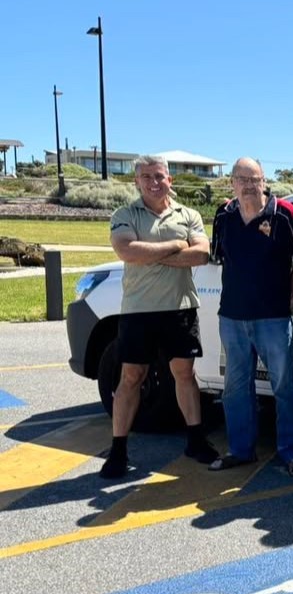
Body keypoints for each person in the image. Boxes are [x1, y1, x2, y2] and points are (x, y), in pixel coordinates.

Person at [101, 155, 217, 479]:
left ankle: (195, 440)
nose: (154, 182)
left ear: (170, 180)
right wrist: (175, 245)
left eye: (159, 176)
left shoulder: (189, 214)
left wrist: (149, 254)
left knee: (184, 374)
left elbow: (201, 254)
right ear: (136, 181)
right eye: (146, 176)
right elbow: (127, 251)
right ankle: (118, 450)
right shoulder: (125, 214)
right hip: (138, 310)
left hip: (180, 308)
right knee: (131, 377)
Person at [208, 157, 293, 475]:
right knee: (235, 388)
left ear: (264, 181)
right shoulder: (223, 215)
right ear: (232, 183)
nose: (249, 185)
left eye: (255, 179)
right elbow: (218, 257)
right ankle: (240, 449)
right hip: (232, 318)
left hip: (273, 320)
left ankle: (292, 452)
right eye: (242, 179)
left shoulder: (284, 215)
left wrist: (285, 297)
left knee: (284, 387)